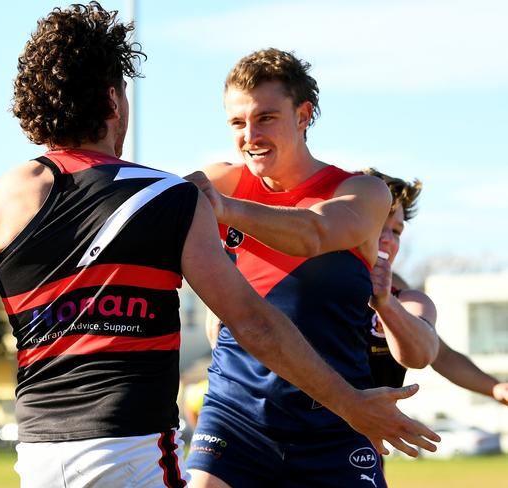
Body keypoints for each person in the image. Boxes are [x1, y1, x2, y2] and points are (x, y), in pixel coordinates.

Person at [0, 4, 438, 487]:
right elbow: (253, 325)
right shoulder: (168, 197)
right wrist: (350, 402)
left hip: (37, 459)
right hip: (134, 455)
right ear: (115, 102)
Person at [185, 48, 431, 488]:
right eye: (237, 123)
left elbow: (314, 233)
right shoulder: (221, 179)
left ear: (303, 115)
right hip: (235, 415)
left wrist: (224, 209)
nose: (250, 136)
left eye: (265, 118)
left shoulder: (361, 191)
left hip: (336, 419)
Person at [364, 168, 508, 405]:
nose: (388, 239)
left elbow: (439, 355)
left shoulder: (400, 293)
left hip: (361, 439)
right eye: (380, 224)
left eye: (397, 231)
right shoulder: (308, 281)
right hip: (298, 436)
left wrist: (496, 388)